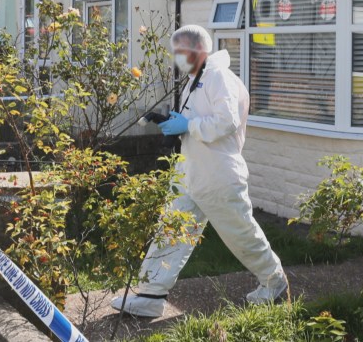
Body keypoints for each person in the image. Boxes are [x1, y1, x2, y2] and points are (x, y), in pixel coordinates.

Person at [111, 25, 287, 318]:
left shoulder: (219, 77)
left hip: (218, 175)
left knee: (240, 233)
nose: (177, 58)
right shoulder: (198, 80)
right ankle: (151, 295)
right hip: (191, 174)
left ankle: (275, 283)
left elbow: (226, 121)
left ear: (197, 50)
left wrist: (188, 125)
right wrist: (176, 123)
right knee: (171, 231)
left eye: (180, 52)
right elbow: (200, 122)